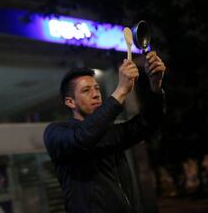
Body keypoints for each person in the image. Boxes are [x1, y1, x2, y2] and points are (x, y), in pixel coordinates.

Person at [43, 52, 166, 213]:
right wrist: (121, 89)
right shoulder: (56, 132)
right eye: (86, 90)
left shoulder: (107, 130)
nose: (96, 94)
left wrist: (155, 85)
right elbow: (83, 138)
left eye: (97, 88)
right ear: (70, 101)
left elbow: (147, 123)